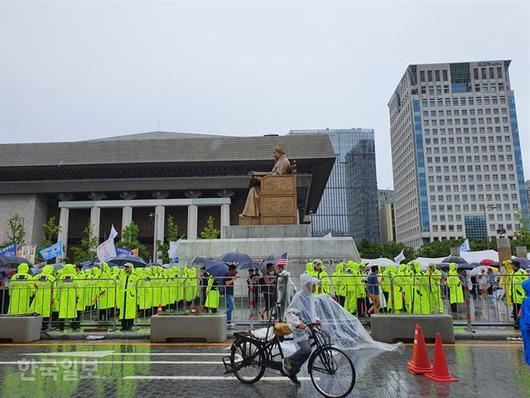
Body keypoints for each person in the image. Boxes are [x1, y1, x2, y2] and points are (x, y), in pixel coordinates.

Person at [282, 274, 321, 386]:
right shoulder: (298, 297)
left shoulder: (310, 297)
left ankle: (292, 370)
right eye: (311, 284)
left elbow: (311, 314)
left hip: (308, 329)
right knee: (306, 350)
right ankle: (288, 361)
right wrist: (298, 323)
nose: (313, 287)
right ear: (305, 285)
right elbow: (289, 313)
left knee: (308, 352)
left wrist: (317, 320)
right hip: (300, 331)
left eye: (313, 284)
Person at [240, 143, 292, 218]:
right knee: (254, 188)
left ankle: (252, 214)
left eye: (275, 153)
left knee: (254, 190)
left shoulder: (284, 162)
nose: (273, 155)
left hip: (277, 187)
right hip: (275, 185)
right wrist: (259, 176)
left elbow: (276, 176)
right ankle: (252, 213)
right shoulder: (280, 161)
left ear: (279, 152)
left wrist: (261, 179)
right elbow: (273, 174)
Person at [119, 263, 138, 331]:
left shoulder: (134, 276)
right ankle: (123, 326)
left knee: (130, 312)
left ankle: (129, 326)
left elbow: (137, 287)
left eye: (128, 267)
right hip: (123, 297)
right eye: (125, 267)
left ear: (131, 268)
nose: (126, 269)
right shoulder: (122, 276)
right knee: (123, 312)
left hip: (130, 297)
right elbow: (119, 286)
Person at [511, 259, 529, 330]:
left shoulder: (521, 272)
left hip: (520, 295)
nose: (511, 266)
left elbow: (526, 284)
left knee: (520, 311)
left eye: (512, 264)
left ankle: (519, 324)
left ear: (515, 265)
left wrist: (523, 293)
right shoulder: (513, 273)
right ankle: (516, 323)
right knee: (515, 311)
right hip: (514, 295)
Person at [519, 279, 530, 366]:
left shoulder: (526, 300)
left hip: (526, 327)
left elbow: (520, 315)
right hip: (527, 326)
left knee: (528, 345)